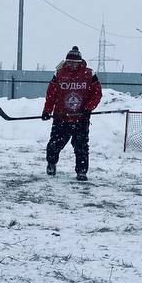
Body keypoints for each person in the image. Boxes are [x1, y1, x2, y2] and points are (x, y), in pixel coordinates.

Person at [42, 46, 102, 181]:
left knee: (81, 146)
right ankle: (51, 163)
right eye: (69, 62)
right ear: (65, 62)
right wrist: (47, 110)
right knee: (54, 144)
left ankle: (81, 171)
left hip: (81, 118)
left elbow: (97, 94)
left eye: (75, 63)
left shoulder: (89, 74)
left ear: (80, 62)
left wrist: (88, 108)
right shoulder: (58, 73)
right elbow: (51, 95)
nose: (72, 65)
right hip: (61, 117)